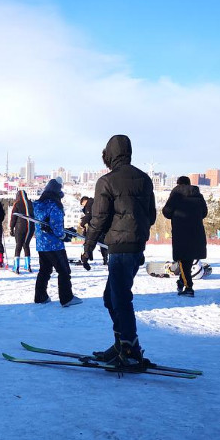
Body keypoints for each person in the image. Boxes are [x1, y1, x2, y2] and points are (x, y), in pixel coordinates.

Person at [81, 134, 156, 366]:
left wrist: (87, 248)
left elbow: (99, 218)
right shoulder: (144, 179)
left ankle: (130, 349)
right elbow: (151, 216)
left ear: (109, 155)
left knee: (120, 298)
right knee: (110, 297)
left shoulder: (107, 181)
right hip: (136, 246)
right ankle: (121, 343)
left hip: (120, 247)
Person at [32, 179, 82, 307]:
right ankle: (67, 298)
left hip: (41, 244)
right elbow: (56, 226)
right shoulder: (54, 205)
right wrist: (64, 235)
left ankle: (40, 296)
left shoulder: (38, 204)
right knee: (64, 271)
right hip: (54, 244)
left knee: (44, 270)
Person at [162, 176, 208, 297]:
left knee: (183, 259)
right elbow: (204, 213)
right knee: (189, 259)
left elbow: (166, 212)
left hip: (181, 232)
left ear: (178, 184)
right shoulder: (198, 196)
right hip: (197, 232)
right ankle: (182, 281)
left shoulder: (176, 196)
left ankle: (188, 287)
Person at [9, 189, 35, 273]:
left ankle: (16, 267)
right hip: (30, 227)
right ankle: (28, 266)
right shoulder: (31, 203)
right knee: (26, 245)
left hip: (20, 227)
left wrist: (11, 228)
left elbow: (13, 218)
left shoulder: (17, 204)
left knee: (18, 245)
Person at [79, 196, 108, 265]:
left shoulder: (89, 204)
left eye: (82, 204)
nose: (83, 206)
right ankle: (105, 259)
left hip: (95, 227)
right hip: (103, 225)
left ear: (84, 201)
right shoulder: (96, 202)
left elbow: (89, 216)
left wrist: (82, 223)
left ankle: (86, 258)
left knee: (89, 242)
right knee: (102, 244)